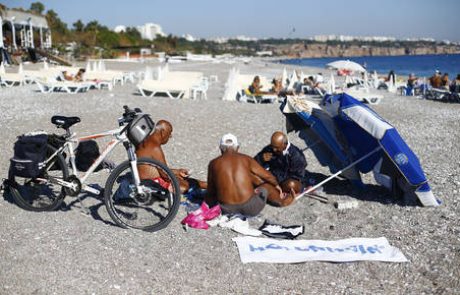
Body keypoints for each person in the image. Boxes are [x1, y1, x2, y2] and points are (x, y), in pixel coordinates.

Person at [206, 134, 294, 217]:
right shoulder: (245, 159)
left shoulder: (213, 163)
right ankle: (282, 201)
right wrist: (277, 185)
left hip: (226, 210)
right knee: (266, 186)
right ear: (237, 148)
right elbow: (267, 176)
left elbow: (211, 191)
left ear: (221, 148)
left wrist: (209, 206)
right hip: (250, 209)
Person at [136, 120, 206, 194]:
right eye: (169, 133)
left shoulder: (146, 141)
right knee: (186, 185)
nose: (170, 136)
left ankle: (209, 185)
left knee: (185, 179)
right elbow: (165, 173)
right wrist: (177, 176)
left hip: (146, 179)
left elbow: (159, 168)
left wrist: (178, 171)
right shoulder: (155, 148)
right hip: (153, 182)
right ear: (162, 132)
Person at [254, 131, 307, 196]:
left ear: (284, 145)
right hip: (272, 175)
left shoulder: (297, 157)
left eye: (276, 147)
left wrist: (276, 182)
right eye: (273, 146)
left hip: (287, 180)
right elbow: (254, 162)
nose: (274, 149)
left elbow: (298, 177)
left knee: (291, 184)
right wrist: (261, 158)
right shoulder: (271, 148)